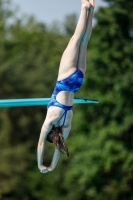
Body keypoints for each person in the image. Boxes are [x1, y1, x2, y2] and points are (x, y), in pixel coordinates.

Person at [37, 0, 94, 173]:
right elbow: (40, 143)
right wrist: (41, 165)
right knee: (75, 39)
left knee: (84, 42)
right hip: (64, 80)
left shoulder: (66, 125)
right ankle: (84, 8)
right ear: (49, 133)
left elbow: (58, 147)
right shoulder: (51, 119)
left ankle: (90, 10)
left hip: (76, 82)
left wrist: (53, 166)